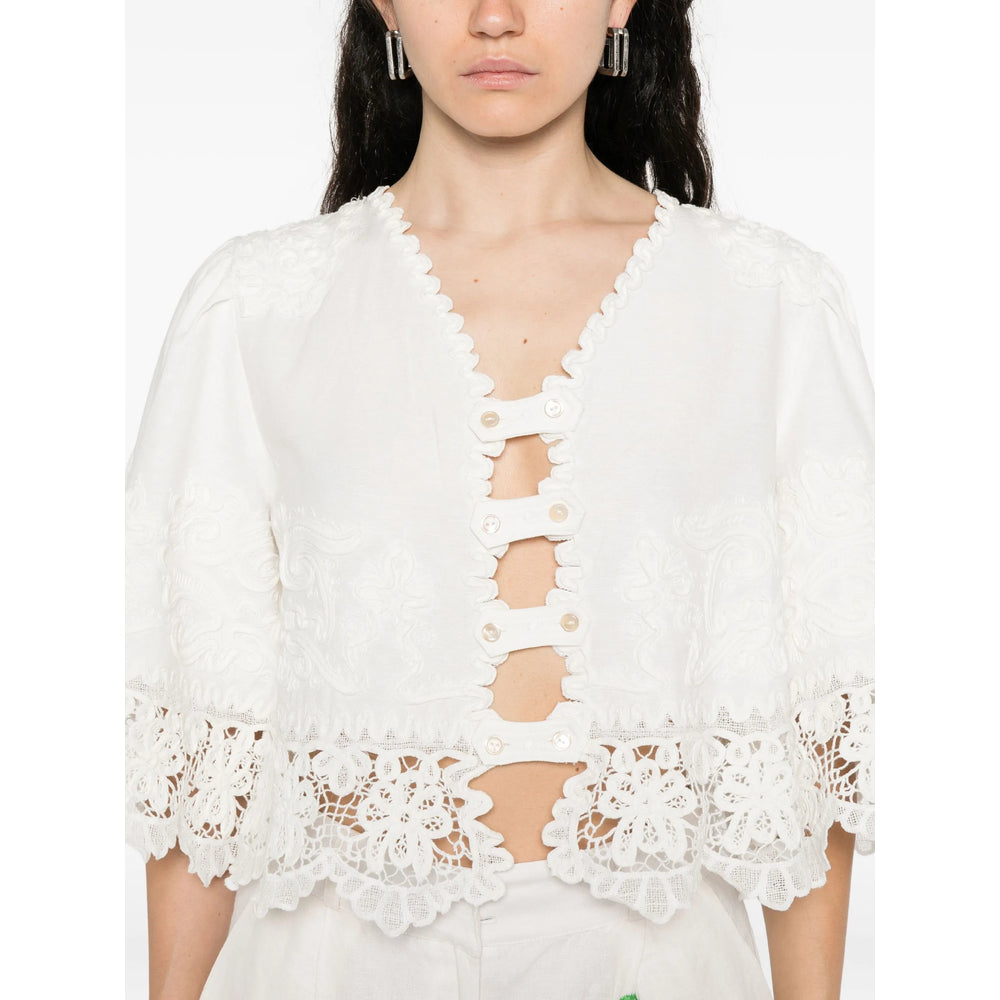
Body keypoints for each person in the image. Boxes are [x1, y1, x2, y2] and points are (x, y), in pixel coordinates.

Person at [125, 1, 874, 998]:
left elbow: (822, 739)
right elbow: (200, 751)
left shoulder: (771, 303)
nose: (495, 17)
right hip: (329, 957)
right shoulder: (256, 306)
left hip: (659, 953)